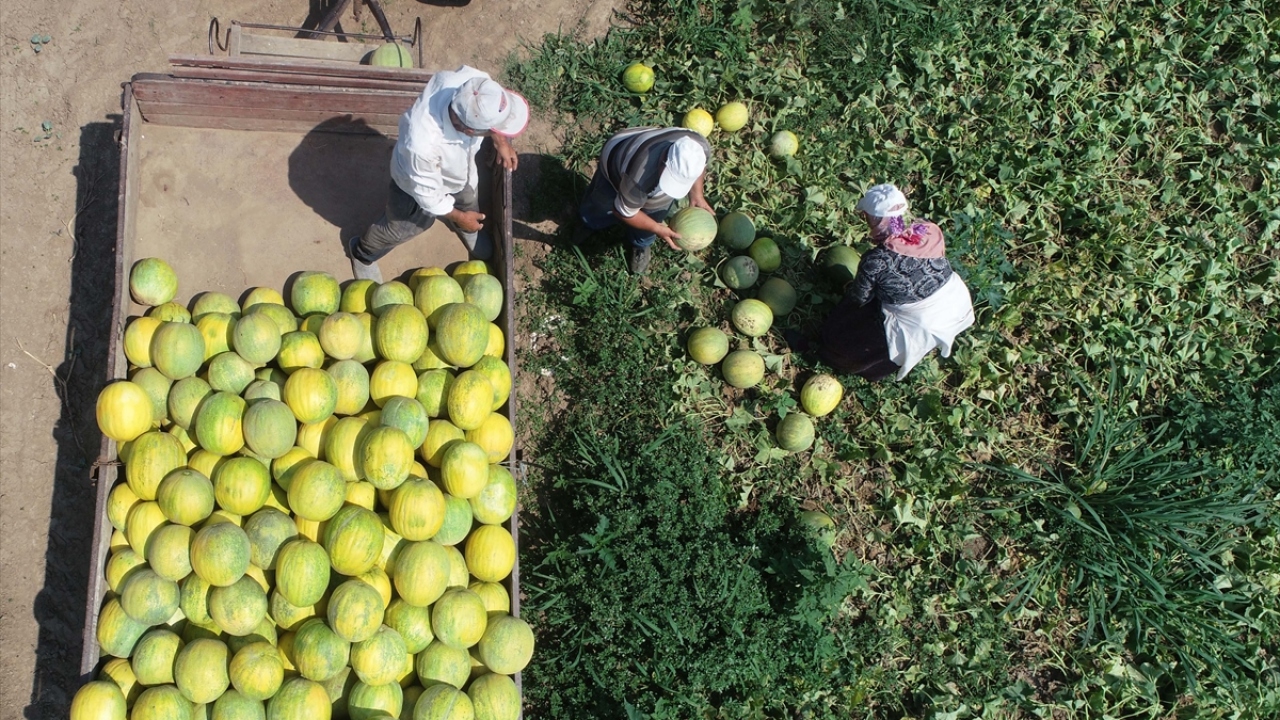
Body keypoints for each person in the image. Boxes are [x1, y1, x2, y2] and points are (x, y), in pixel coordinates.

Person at [347, 66, 529, 282]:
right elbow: (428, 197)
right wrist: (460, 218)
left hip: (458, 170)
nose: (499, 134)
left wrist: (501, 142)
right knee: (403, 227)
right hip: (415, 183)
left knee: (468, 196)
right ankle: (363, 253)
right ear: (470, 130)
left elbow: (490, 119)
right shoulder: (421, 144)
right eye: (495, 132)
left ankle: (469, 230)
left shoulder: (476, 84)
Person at [816, 183, 975, 380]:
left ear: (876, 220)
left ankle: (849, 359)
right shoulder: (929, 230)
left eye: (867, 217)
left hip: (921, 321)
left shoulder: (877, 261)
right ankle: (880, 368)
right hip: (954, 300)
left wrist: (848, 290)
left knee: (844, 340)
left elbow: (859, 297)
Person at [572, 126, 713, 275]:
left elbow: (699, 167)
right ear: (662, 161)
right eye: (671, 179)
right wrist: (657, 228)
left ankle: (641, 244)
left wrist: (697, 194)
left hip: (641, 167)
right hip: (616, 168)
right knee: (602, 202)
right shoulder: (638, 176)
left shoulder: (698, 147)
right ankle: (591, 222)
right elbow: (622, 212)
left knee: (653, 217)